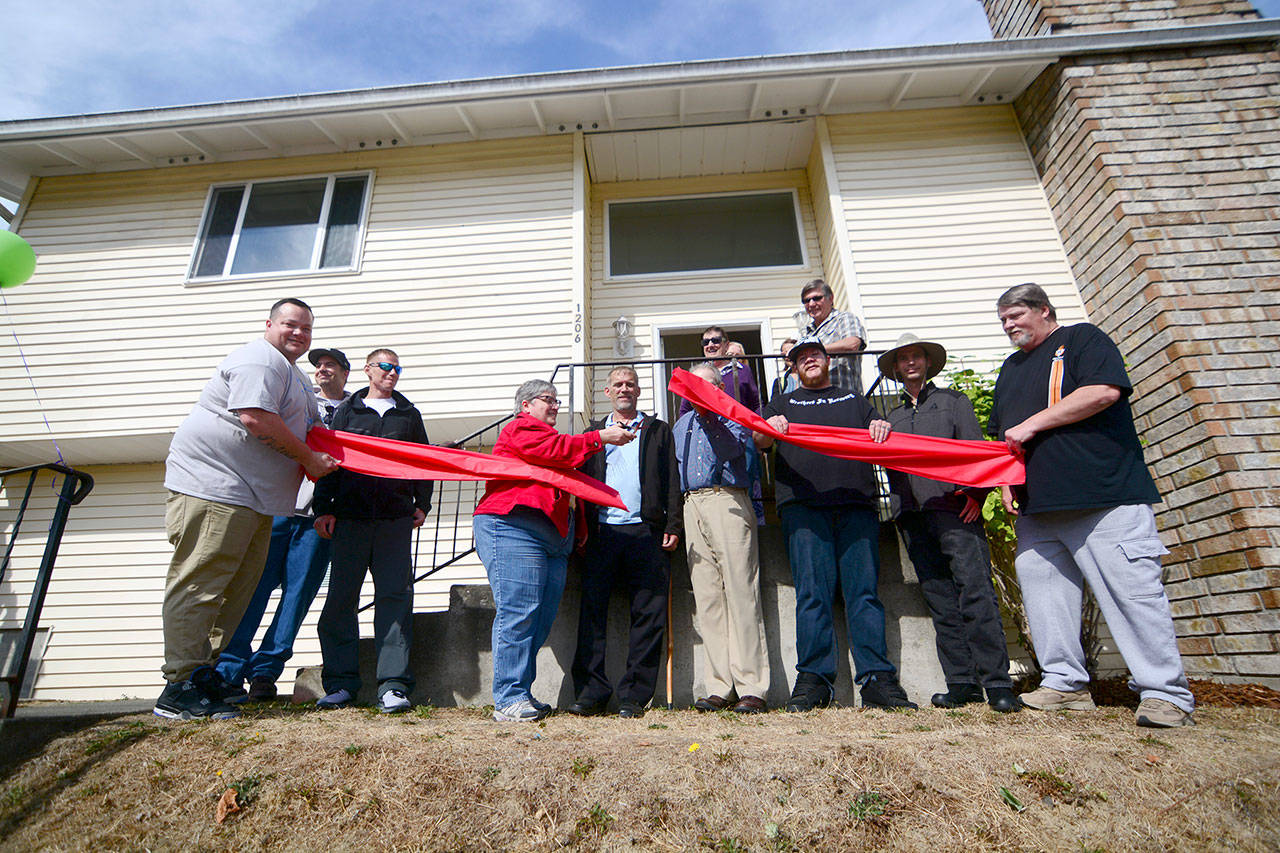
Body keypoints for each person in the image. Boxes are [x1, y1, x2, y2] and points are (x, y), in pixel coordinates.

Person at [989, 283, 1195, 728]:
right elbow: (1003, 435)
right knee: (1046, 600)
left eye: (1016, 315)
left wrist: (1032, 424)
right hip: (1038, 510)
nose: (1008, 325)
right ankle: (1064, 684)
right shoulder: (1010, 369)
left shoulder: (1082, 339)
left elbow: (1103, 391)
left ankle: (1165, 694)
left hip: (1104, 498)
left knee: (1132, 595)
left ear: (1044, 310)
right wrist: (1006, 483)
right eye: (1002, 319)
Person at [155, 298, 339, 720]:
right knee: (200, 583)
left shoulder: (292, 375)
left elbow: (315, 431)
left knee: (236, 589)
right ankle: (179, 685)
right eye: (290, 324)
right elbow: (255, 417)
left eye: (306, 328)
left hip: (256, 501)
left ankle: (205, 676)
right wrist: (310, 460)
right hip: (216, 488)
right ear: (269, 324)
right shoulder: (259, 359)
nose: (299, 333)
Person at [755, 336, 916, 711]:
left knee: (864, 595)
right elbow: (759, 439)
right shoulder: (782, 404)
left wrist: (880, 427)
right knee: (812, 595)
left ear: (827, 361)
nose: (809, 360)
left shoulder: (854, 400)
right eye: (802, 358)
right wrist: (768, 426)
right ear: (794, 368)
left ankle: (877, 680)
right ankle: (814, 681)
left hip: (856, 505)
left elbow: (879, 430)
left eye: (816, 354)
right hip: (803, 509)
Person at [472, 380, 634, 722]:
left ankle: (521, 692)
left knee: (540, 619)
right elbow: (555, 451)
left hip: (554, 537)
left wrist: (579, 530)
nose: (555, 406)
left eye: (557, 400)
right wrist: (600, 437)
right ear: (525, 406)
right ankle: (508, 697)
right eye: (548, 399)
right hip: (515, 526)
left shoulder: (553, 440)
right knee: (519, 613)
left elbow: (568, 484)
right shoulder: (521, 429)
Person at [879, 333, 1020, 713]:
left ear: (927, 363)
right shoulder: (890, 418)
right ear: (896, 368)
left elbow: (975, 450)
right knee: (940, 599)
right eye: (903, 358)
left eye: (916, 356)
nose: (910, 362)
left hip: (955, 510)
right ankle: (962, 683)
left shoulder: (954, 402)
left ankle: (998, 683)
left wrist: (976, 496)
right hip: (913, 516)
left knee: (976, 593)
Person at [214, 347, 352, 702]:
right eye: (318, 365)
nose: (323, 369)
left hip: (319, 519)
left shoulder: (357, 411)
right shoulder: (298, 402)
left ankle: (266, 671)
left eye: (331, 365)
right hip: (275, 507)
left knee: (297, 597)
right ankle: (229, 670)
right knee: (251, 589)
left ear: (346, 373)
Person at [313, 349, 433, 714]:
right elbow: (331, 459)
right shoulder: (348, 411)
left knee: (395, 599)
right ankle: (340, 685)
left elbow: (422, 459)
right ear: (368, 370)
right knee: (340, 601)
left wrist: (422, 503)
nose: (392, 373)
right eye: (385, 366)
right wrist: (324, 508)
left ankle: (393, 686)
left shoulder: (408, 414)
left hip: (394, 520)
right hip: (350, 519)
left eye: (397, 368)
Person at [569, 366, 682, 719]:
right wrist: (580, 529)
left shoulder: (657, 430)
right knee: (592, 613)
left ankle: (634, 696)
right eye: (617, 384)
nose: (624, 389)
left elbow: (672, 480)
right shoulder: (593, 434)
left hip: (646, 532)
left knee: (648, 614)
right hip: (602, 532)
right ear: (607, 392)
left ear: (638, 391)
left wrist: (673, 524)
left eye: (630, 384)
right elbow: (577, 480)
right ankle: (591, 693)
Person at [674, 363, 770, 713]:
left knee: (741, 592)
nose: (701, 392)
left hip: (727, 499)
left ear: (720, 388)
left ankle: (751, 685)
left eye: (709, 385)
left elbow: (733, 451)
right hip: (692, 504)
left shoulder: (734, 416)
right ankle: (719, 685)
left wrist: (711, 415)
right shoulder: (681, 425)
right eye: (695, 386)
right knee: (708, 597)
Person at [799, 279, 867, 395]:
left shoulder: (844, 318)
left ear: (830, 299)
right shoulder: (806, 332)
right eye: (806, 301)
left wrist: (817, 349)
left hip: (843, 396)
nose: (811, 304)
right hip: (814, 398)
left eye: (817, 298)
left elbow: (853, 344)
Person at [677, 327, 760, 417]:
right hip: (706, 425)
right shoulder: (696, 374)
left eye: (715, 340)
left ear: (726, 345)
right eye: (705, 342)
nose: (710, 345)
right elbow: (685, 410)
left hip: (737, 425)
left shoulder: (743, 370)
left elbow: (756, 404)